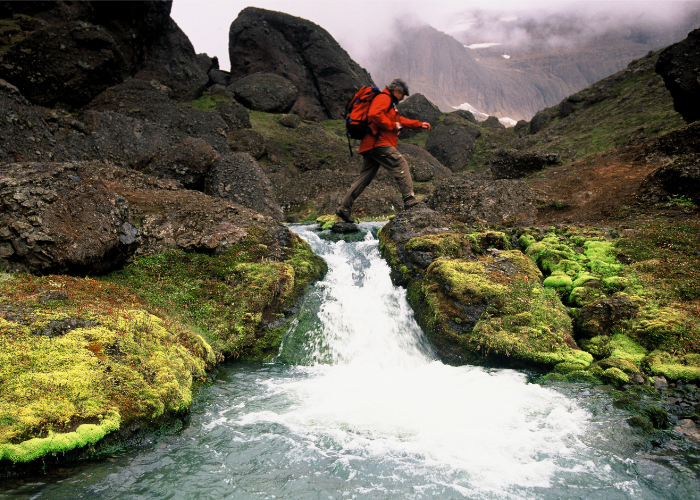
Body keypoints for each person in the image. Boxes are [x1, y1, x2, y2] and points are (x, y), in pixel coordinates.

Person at [336, 78, 431, 223]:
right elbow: (375, 114)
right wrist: (393, 126)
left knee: (364, 178)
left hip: (370, 145)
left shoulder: (389, 103)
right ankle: (409, 199)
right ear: (397, 90)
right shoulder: (384, 98)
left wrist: (418, 125)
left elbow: (400, 121)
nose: (402, 98)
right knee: (400, 163)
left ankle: (344, 208)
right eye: (402, 95)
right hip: (377, 143)